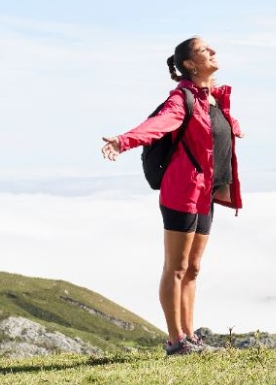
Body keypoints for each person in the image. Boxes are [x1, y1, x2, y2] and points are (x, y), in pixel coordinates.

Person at [100, 37, 243, 356]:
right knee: (175, 268)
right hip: (182, 191)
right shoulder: (182, 99)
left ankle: (190, 336)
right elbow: (157, 125)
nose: (214, 52)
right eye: (206, 51)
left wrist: (232, 126)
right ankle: (176, 341)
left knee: (193, 269)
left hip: (205, 191)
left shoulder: (214, 99)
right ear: (191, 64)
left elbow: (211, 134)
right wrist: (123, 141)